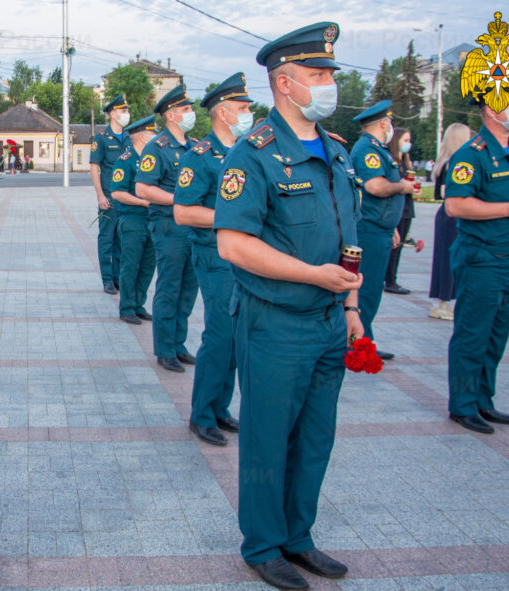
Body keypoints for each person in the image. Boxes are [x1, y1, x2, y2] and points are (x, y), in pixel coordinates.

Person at [214, 22, 361, 589]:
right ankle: (264, 545)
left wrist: (349, 309)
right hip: (274, 322)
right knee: (269, 438)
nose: (329, 85)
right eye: (318, 75)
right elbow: (233, 243)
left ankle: (299, 538)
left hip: (329, 321)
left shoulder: (336, 150)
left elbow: (344, 237)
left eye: (329, 75)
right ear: (283, 83)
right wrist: (312, 275)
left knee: (316, 439)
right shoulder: (255, 155)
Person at [444, 90, 509, 434]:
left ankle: (483, 400)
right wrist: (507, 210)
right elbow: (455, 205)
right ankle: (462, 405)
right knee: (473, 333)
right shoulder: (472, 155)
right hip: (482, 259)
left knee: (496, 334)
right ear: (492, 108)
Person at [173, 72, 252, 446]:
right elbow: (184, 212)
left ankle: (221, 407)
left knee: (236, 335)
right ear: (222, 113)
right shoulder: (200, 157)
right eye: (242, 108)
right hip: (213, 254)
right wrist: (230, 219)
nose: (248, 113)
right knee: (220, 333)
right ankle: (202, 414)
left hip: (245, 255)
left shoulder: (246, 151)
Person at [135, 84, 200, 373]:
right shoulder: (156, 147)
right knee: (170, 286)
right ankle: (164, 349)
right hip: (168, 226)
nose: (191, 113)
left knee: (188, 288)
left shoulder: (195, 146)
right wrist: (180, 201)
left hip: (194, 228)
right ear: (171, 116)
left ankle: (179, 344)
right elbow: (142, 188)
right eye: (186, 109)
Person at [349, 101, 414, 361]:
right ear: (384, 123)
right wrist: (403, 188)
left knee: (373, 289)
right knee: (366, 289)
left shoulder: (379, 149)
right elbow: (375, 187)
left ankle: (366, 341)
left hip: (380, 227)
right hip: (369, 229)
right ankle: (358, 344)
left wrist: (393, 227)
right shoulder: (368, 149)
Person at [111, 115, 157, 325]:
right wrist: (143, 202)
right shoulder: (125, 160)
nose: (156, 137)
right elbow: (117, 193)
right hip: (132, 220)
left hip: (152, 221)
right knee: (130, 265)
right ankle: (127, 307)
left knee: (147, 266)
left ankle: (139, 304)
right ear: (143, 136)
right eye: (153, 133)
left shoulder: (152, 161)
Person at [428, 123, 473, 321]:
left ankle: (442, 301)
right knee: (448, 260)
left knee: (445, 258)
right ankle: (442, 302)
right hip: (451, 215)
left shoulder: (447, 161)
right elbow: (449, 193)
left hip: (446, 214)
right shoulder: (455, 163)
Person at [90, 94, 132, 294]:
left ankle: (118, 278)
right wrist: (100, 195)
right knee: (106, 238)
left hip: (127, 198)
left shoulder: (130, 138)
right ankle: (107, 279)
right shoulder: (101, 138)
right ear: (113, 114)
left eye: (127, 111)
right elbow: (94, 168)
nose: (127, 114)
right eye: (124, 111)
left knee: (122, 240)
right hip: (109, 197)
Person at [383, 128, 417, 294]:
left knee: (400, 247)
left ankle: (392, 279)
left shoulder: (406, 162)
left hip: (407, 208)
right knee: (393, 248)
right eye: (405, 140)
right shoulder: (392, 162)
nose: (408, 144)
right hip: (397, 209)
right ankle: (389, 280)